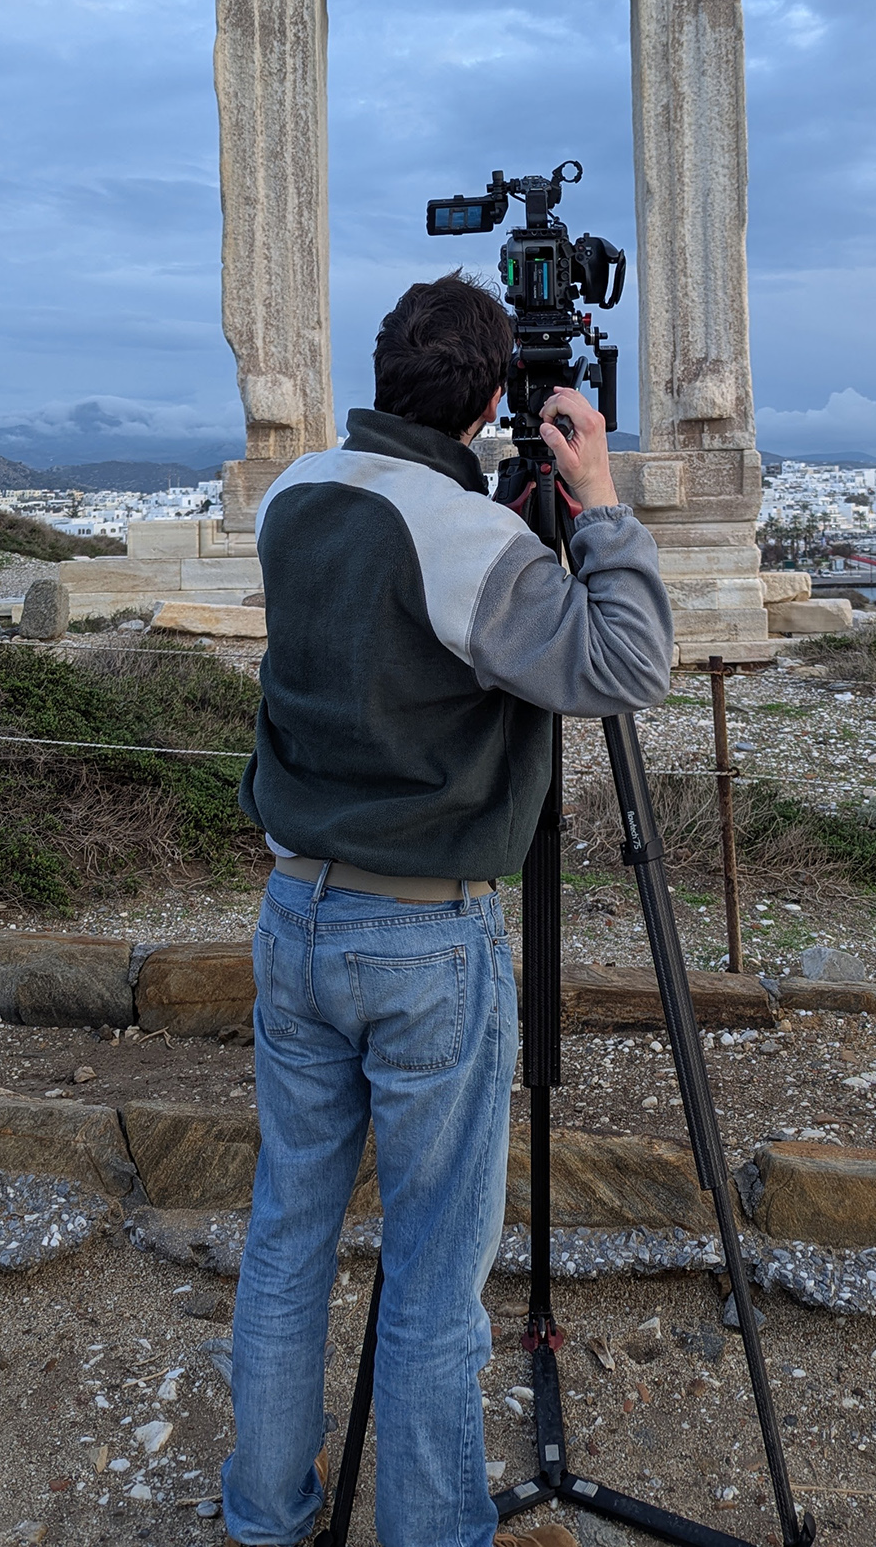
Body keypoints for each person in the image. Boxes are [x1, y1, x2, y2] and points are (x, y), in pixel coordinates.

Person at [222, 271, 674, 1547]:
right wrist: (596, 501)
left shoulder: (297, 493)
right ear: (489, 399)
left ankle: (265, 1511)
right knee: (431, 1273)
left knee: (287, 1233)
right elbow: (626, 662)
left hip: (294, 909)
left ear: (382, 372)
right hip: (422, 932)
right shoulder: (468, 538)